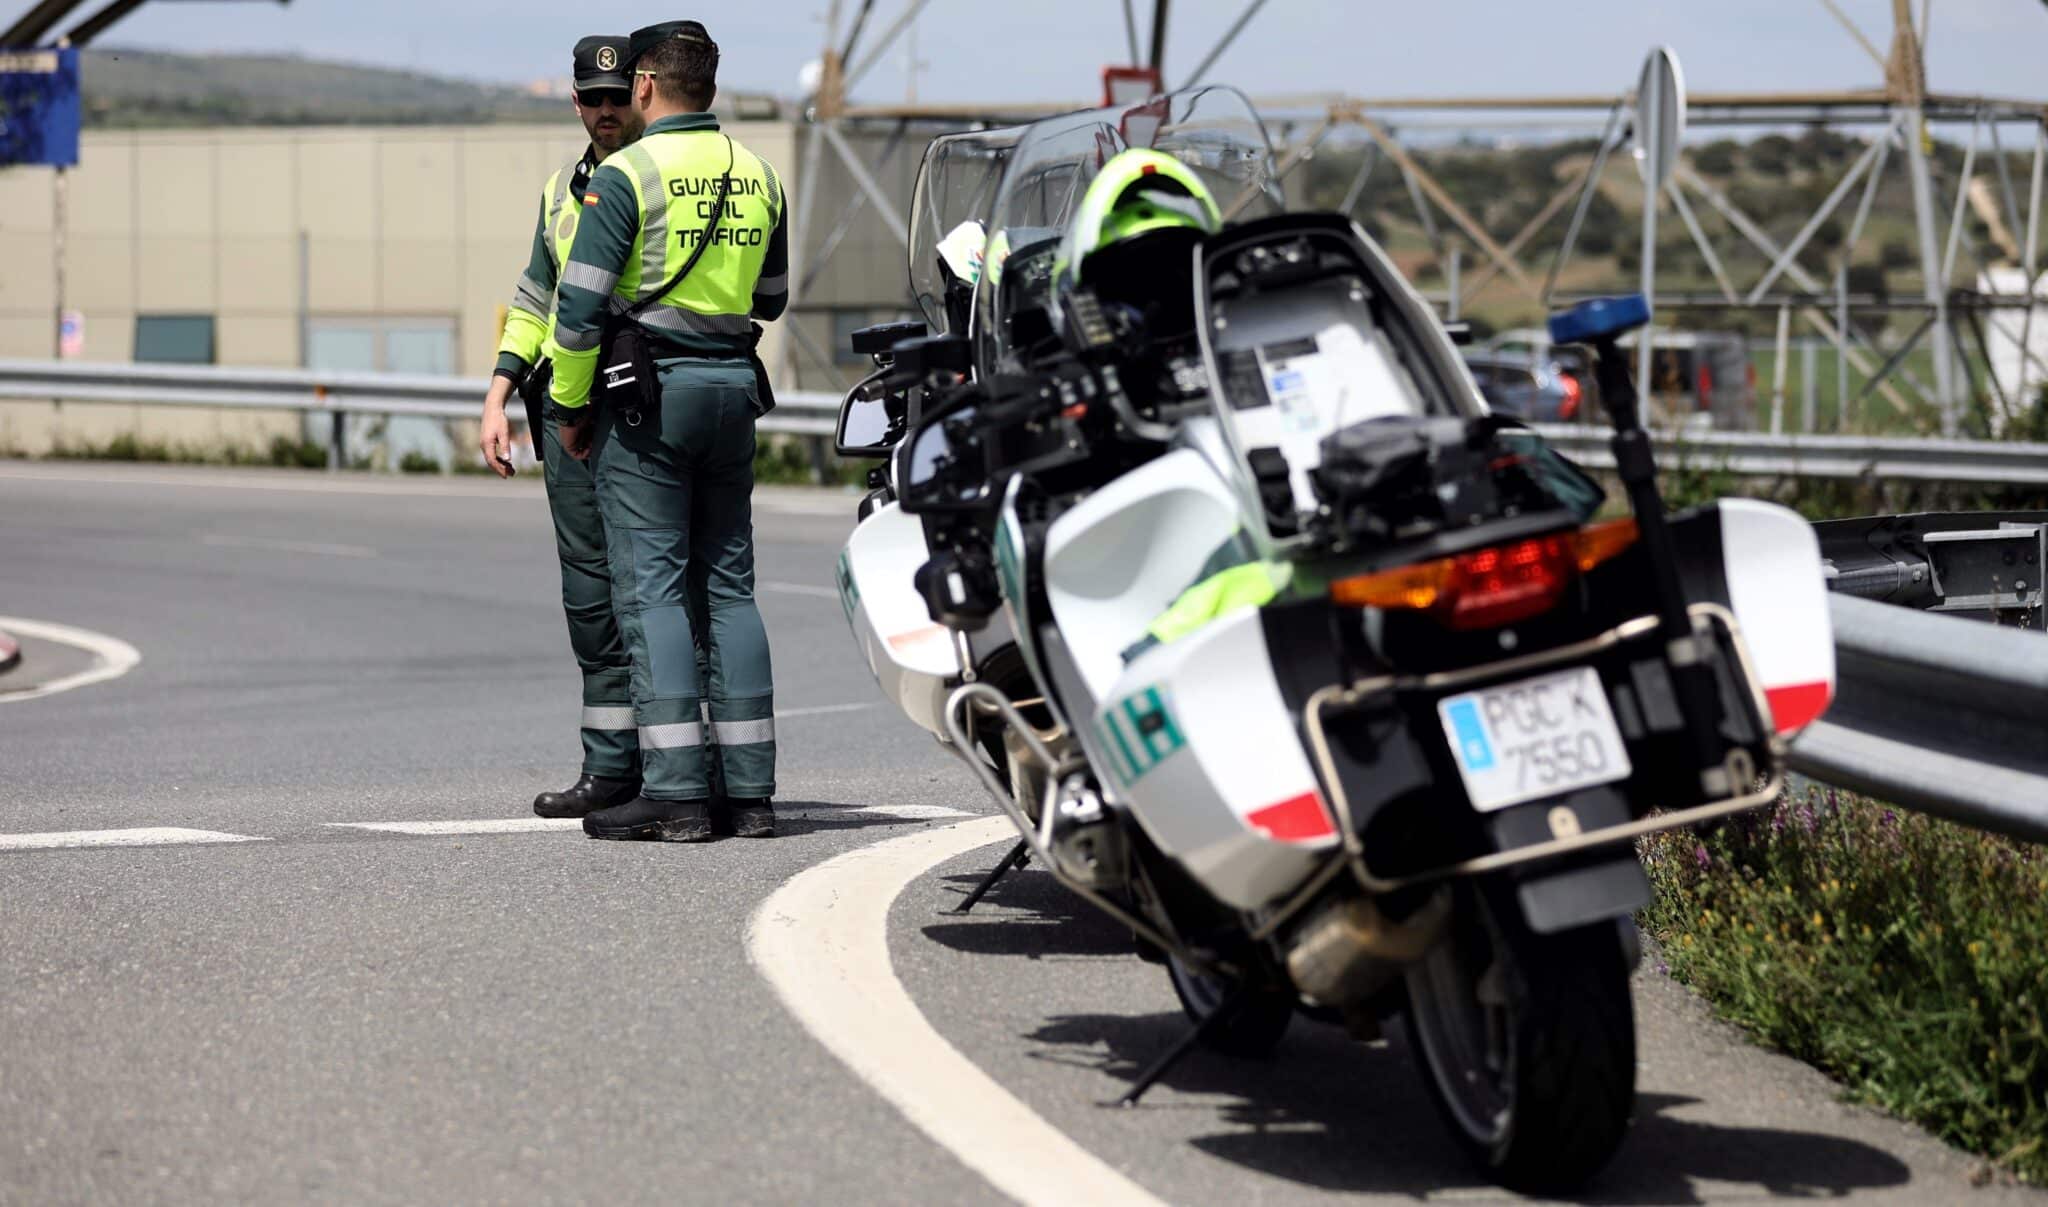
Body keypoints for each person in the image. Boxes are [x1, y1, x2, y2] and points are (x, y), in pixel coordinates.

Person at [545, 19, 788, 842]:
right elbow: (773, 297)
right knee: (729, 587)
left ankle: (678, 789)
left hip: (652, 400)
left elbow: (575, 315)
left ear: (645, 83)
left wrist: (572, 412)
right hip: (733, 392)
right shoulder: (760, 175)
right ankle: (750, 793)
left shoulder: (625, 179)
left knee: (650, 589)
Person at [477, 35, 650, 820]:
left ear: (641, 98)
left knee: (656, 590)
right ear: (577, 103)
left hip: (634, 404)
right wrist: (498, 392)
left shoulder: (655, 177)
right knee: (590, 593)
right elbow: (534, 297)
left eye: (619, 97)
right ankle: (610, 766)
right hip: (560, 409)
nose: (607, 111)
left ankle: (686, 767)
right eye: (594, 98)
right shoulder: (561, 189)